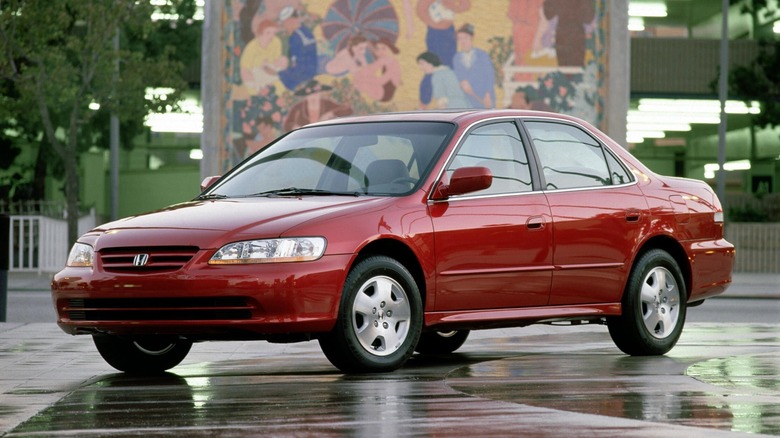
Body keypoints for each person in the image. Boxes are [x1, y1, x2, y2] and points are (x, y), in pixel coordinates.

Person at [452, 23, 496, 108]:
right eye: (460, 39)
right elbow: (458, 76)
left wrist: (488, 94)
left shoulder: (482, 55)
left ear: (471, 38)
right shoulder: (457, 58)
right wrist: (463, 83)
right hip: (466, 98)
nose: (463, 41)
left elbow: (490, 76)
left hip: (484, 96)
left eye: (465, 38)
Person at [283, 80, 354, 132]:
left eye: (316, 94)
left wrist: (331, 113)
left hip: (325, 138)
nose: (314, 97)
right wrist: (295, 127)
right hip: (304, 141)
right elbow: (287, 125)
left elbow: (348, 110)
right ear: (306, 96)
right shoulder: (298, 108)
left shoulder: (327, 104)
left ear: (320, 94)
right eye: (310, 95)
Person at [240, 19, 287, 94]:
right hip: (255, 72)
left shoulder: (276, 41)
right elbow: (244, 69)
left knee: (283, 60)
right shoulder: (251, 47)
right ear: (260, 33)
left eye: (274, 33)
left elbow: (276, 59)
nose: (271, 36)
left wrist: (277, 63)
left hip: (270, 69)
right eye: (268, 33)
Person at [277, 6, 318, 91]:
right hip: (312, 71)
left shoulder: (295, 37)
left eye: (285, 24)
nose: (285, 27)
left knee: (277, 75)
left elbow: (297, 66)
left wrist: (282, 73)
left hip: (302, 75)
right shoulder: (306, 31)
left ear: (290, 21)